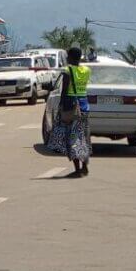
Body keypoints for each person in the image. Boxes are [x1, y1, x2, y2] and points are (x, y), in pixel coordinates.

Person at [47, 47, 92, 177]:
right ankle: (85, 167)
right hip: (84, 105)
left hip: (72, 107)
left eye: (68, 56)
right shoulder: (86, 70)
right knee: (84, 138)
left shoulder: (68, 70)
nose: (66, 58)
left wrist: (61, 107)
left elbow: (65, 91)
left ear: (71, 57)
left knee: (73, 139)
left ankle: (77, 170)